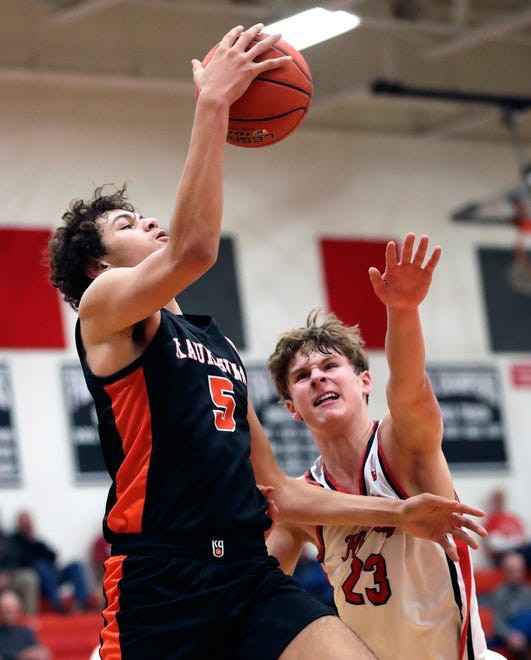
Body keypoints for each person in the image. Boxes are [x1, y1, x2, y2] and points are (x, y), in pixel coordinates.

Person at [48, 24, 486, 659]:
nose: (146, 221)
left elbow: (277, 488)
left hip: (245, 573)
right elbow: (197, 249)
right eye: (125, 223)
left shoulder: (215, 344)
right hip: (161, 581)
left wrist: (399, 513)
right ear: (101, 267)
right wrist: (213, 106)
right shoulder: (104, 311)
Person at [266, 234, 496, 660]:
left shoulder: (402, 443)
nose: (317, 378)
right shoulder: (302, 500)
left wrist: (402, 311)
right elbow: (258, 590)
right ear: (292, 409)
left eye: (331, 366)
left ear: (364, 382)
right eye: (302, 376)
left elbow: (408, 385)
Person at [10, 511, 91, 613]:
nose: (28, 525)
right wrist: (29, 542)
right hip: (38, 579)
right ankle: (57, 604)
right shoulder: (14, 541)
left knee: (75, 565)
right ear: (19, 524)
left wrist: (34, 542)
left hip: (52, 575)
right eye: (25, 522)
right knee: (41, 565)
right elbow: (22, 561)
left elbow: (53, 556)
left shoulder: (36, 541)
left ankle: (81, 602)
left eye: (29, 522)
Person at [489, 552, 531, 659]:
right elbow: (498, 623)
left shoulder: (527, 591)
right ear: (505, 572)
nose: (516, 575)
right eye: (512, 571)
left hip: (526, 631)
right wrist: (510, 636)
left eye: (519, 571)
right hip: (508, 632)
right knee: (486, 644)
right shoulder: (499, 593)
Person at [0, 515, 39, 616]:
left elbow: (15, 559)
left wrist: (6, 574)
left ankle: (29, 619)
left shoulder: (7, 539)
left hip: (8, 578)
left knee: (29, 578)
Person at [484, 488, 531, 569]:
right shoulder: (492, 519)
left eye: (502, 499)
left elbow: (523, 539)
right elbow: (494, 547)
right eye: (498, 499)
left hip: (520, 552)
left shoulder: (513, 517)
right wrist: (513, 541)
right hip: (503, 556)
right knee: (514, 561)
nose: (501, 501)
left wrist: (507, 540)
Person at [0, 589, 51, 660]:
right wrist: (20, 655)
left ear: (18, 610)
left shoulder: (26, 632)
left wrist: (40, 653)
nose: (8, 615)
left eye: (11, 610)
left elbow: (37, 649)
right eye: (5, 610)